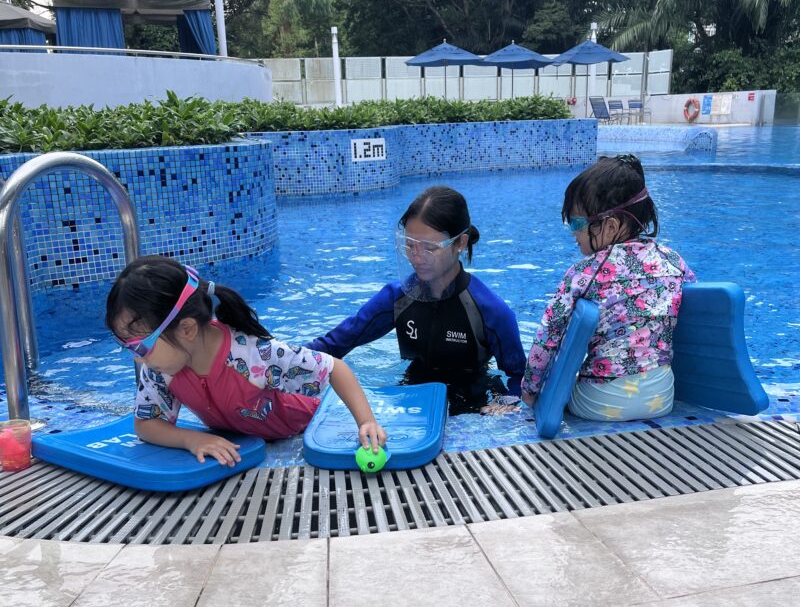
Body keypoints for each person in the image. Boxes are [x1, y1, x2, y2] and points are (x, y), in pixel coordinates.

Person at [106, 255, 386, 466]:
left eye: (140, 346)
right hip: (244, 436)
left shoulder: (254, 355)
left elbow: (335, 368)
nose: (137, 357)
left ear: (187, 329)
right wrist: (192, 439)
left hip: (303, 426)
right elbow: (146, 425)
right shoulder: (161, 368)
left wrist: (366, 422)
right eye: (127, 347)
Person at [306, 186, 526, 415]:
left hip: (472, 400)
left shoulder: (490, 310)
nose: (417, 257)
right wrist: (283, 363)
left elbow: (519, 375)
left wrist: (506, 402)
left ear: (460, 243)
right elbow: (335, 344)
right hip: (412, 394)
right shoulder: (397, 298)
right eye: (410, 245)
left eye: (430, 248)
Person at [521, 154, 696, 421]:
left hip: (598, 404)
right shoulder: (674, 261)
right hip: (661, 399)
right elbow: (696, 309)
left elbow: (548, 337)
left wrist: (530, 392)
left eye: (577, 223)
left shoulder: (583, 274)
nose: (573, 233)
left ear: (611, 226)